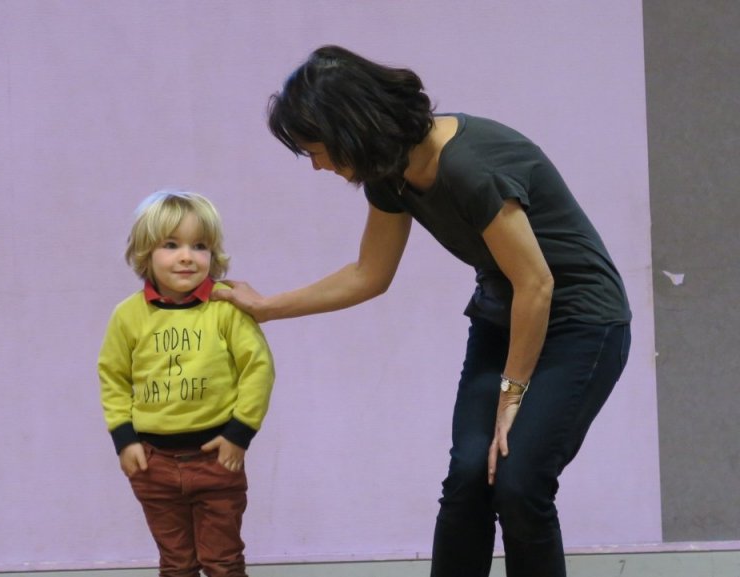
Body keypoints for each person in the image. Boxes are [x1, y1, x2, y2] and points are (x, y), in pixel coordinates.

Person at [212, 46, 631, 577]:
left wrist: (511, 395)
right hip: (504, 317)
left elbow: (537, 284)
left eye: (316, 150)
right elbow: (369, 273)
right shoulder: (390, 172)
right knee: (468, 478)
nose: (317, 165)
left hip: (582, 323)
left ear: (351, 130)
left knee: (519, 482)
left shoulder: (470, 166)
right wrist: (267, 307)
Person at [98, 189, 275, 577]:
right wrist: (124, 439)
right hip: (153, 463)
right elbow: (113, 376)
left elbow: (258, 368)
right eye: (171, 245)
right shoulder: (128, 315)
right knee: (176, 563)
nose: (186, 256)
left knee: (223, 561)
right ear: (145, 252)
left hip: (216, 457)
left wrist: (239, 433)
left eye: (199, 246)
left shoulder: (226, 306)